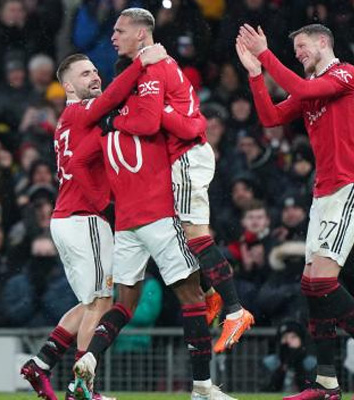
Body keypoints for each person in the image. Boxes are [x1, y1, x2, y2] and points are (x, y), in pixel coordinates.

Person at [70, 9, 235, 400]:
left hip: (125, 222)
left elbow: (78, 164)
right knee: (192, 300)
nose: (113, 36)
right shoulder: (147, 115)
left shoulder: (103, 123)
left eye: (118, 31)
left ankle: (90, 358)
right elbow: (184, 127)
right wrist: (195, 124)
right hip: (159, 215)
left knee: (124, 304)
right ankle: (203, 387)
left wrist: (103, 202)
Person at [237, 23, 354, 399]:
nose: (298, 54)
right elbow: (270, 118)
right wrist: (256, 75)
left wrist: (265, 54)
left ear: (323, 42)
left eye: (303, 46)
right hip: (323, 195)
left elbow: (304, 90)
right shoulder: (310, 87)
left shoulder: (346, 74)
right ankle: (326, 383)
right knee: (311, 286)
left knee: (323, 282)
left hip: (351, 187)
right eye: (295, 50)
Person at [101, 6, 254, 353]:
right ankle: (213, 295)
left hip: (186, 156)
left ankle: (234, 310)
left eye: (120, 31)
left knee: (194, 235)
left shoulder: (153, 69)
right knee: (182, 235)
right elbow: (183, 119)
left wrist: (114, 121)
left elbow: (148, 123)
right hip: (184, 154)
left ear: (141, 33)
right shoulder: (156, 67)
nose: (113, 37)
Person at [19, 45, 168, 400]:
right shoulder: (81, 111)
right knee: (101, 303)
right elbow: (114, 98)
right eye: (85, 74)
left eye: (95, 71)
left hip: (69, 218)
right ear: (69, 87)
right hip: (84, 218)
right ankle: (82, 389)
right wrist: (140, 65)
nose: (95, 77)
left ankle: (40, 364)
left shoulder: (68, 120)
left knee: (92, 302)